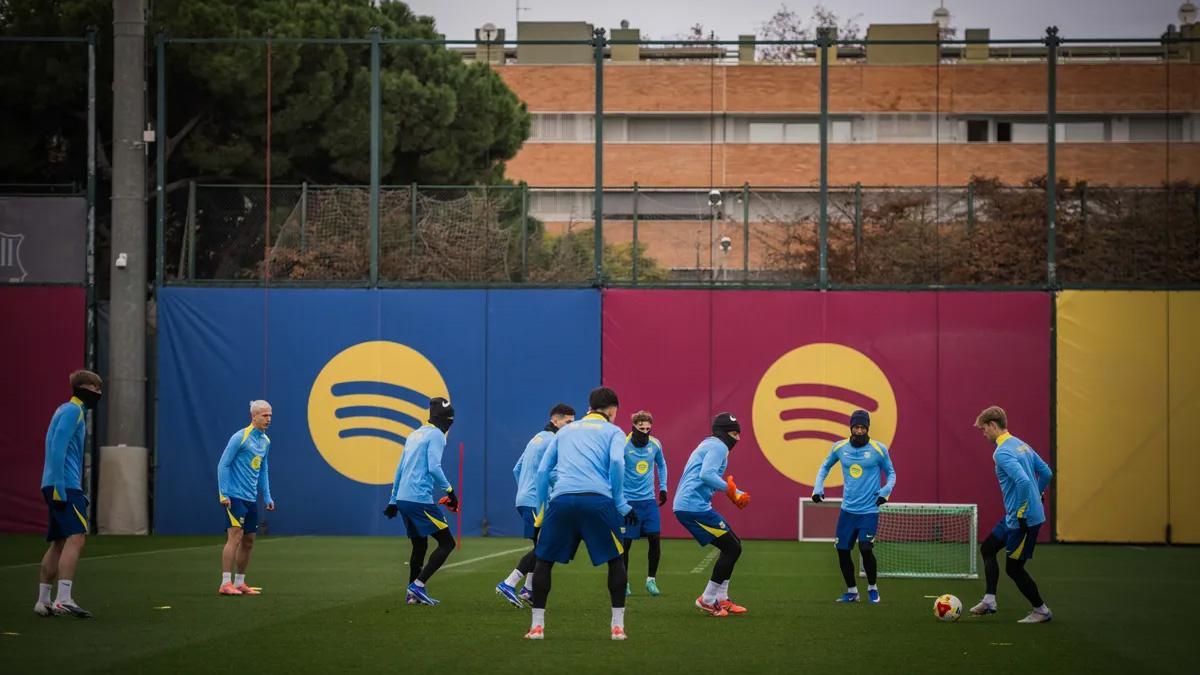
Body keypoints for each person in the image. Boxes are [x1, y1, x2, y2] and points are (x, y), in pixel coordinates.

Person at [524, 387, 633, 641]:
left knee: (543, 561)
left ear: (590, 407)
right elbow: (617, 462)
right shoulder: (614, 432)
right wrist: (619, 501)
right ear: (612, 410)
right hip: (598, 501)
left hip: (561, 501)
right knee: (616, 560)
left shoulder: (565, 431)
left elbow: (542, 471)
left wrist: (541, 511)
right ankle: (617, 627)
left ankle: (537, 627)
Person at [969, 405, 1054, 623]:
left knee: (1014, 569)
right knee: (988, 549)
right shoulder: (1020, 444)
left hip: (1023, 520)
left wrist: (1024, 510)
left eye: (983, 429)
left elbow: (1023, 481)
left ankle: (1041, 611)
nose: (983, 434)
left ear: (992, 425)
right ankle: (989, 600)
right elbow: (1046, 473)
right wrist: (1037, 495)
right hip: (1014, 516)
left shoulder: (1002, 452)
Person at [34, 369, 102, 618]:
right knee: (77, 537)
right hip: (63, 485)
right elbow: (56, 447)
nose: (99, 393)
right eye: (96, 389)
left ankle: (43, 600)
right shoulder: (73, 411)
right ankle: (64, 599)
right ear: (84, 389)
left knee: (59, 542)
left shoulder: (65, 410)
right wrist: (61, 488)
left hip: (56, 483)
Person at [811, 409, 896, 604]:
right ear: (851, 428)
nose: (859, 431)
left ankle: (872, 588)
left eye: (862, 427)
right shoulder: (839, 448)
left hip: (869, 511)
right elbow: (825, 467)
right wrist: (818, 488)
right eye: (856, 427)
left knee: (865, 548)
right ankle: (852, 592)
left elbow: (891, 473)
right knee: (842, 550)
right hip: (848, 511)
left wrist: (885, 491)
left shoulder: (879, 449)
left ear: (867, 428)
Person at [495, 403, 576, 608]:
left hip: (524, 500)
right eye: (568, 422)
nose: (570, 427)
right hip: (537, 502)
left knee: (541, 548)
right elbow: (552, 473)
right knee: (545, 547)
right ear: (555, 420)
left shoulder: (536, 438)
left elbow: (517, 469)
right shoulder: (554, 441)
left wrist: (525, 490)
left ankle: (528, 590)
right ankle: (509, 583)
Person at [383, 397, 460, 606]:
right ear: (444, 419)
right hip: (419, 499)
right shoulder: (436, 435)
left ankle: (412, 595)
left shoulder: (414, 434)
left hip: (404, 499)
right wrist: (450, 492)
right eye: (450, 419)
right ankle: (417, 585)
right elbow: (434, 467)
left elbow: (400, 469)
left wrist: (393, 500)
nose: (450, 423)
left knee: (420, 544)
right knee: (447, 543)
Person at [673, 413, 751, 618]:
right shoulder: (719, 446)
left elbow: (705, 476)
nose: (738, 438)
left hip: (694, 505)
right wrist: (732, 491)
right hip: (692, 507)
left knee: (734, 545)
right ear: (724, 432)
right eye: (734, 433)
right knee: (732, 548)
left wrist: (734, 491)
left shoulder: (711, 443)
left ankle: (722, 598)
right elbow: (706, 474)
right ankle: (707, 599)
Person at [217, 400, 276, 596]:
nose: (268, 419)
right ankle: (225, 583)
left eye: (270, 415)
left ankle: (240, 582)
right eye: (265, 415)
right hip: (234, 497)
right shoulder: (240, 437)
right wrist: (223, 493)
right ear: (254, 416)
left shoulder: (265, 441)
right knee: (234, 537)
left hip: (251, 498)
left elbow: (263, 469)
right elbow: (223, 465)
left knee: (249, 540)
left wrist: (267, 496)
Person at [620, 410, 667, 597]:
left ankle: (651, 580)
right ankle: (624, 582)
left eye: (648, 428)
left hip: (648, 502)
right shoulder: (623, 445)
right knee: (626, 544)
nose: (645, 431)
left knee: (655, 539)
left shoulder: (655, 444)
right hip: (628, 502)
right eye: (641, 428)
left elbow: (661, 464)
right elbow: (613, 469)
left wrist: (663, 487)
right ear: (634, 426)